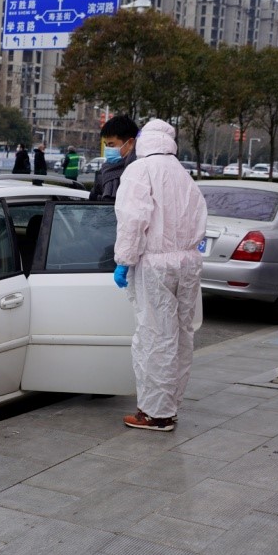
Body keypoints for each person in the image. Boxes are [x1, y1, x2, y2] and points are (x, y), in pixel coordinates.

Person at [112, 119, 208, 432]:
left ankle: (154, 413)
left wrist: (124, 260)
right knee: (180, 336)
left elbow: (133, 220)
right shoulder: (183, 174)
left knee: (154, 336)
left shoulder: (140, 170)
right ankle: (169, 406)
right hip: (188, 263)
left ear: (141, 142)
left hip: (155, 264)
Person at [90, 115, 139, 201]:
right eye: (106, 145)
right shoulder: (104, 171)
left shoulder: (139, 173)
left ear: (130, 143)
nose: (108, 149)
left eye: (111, 145)